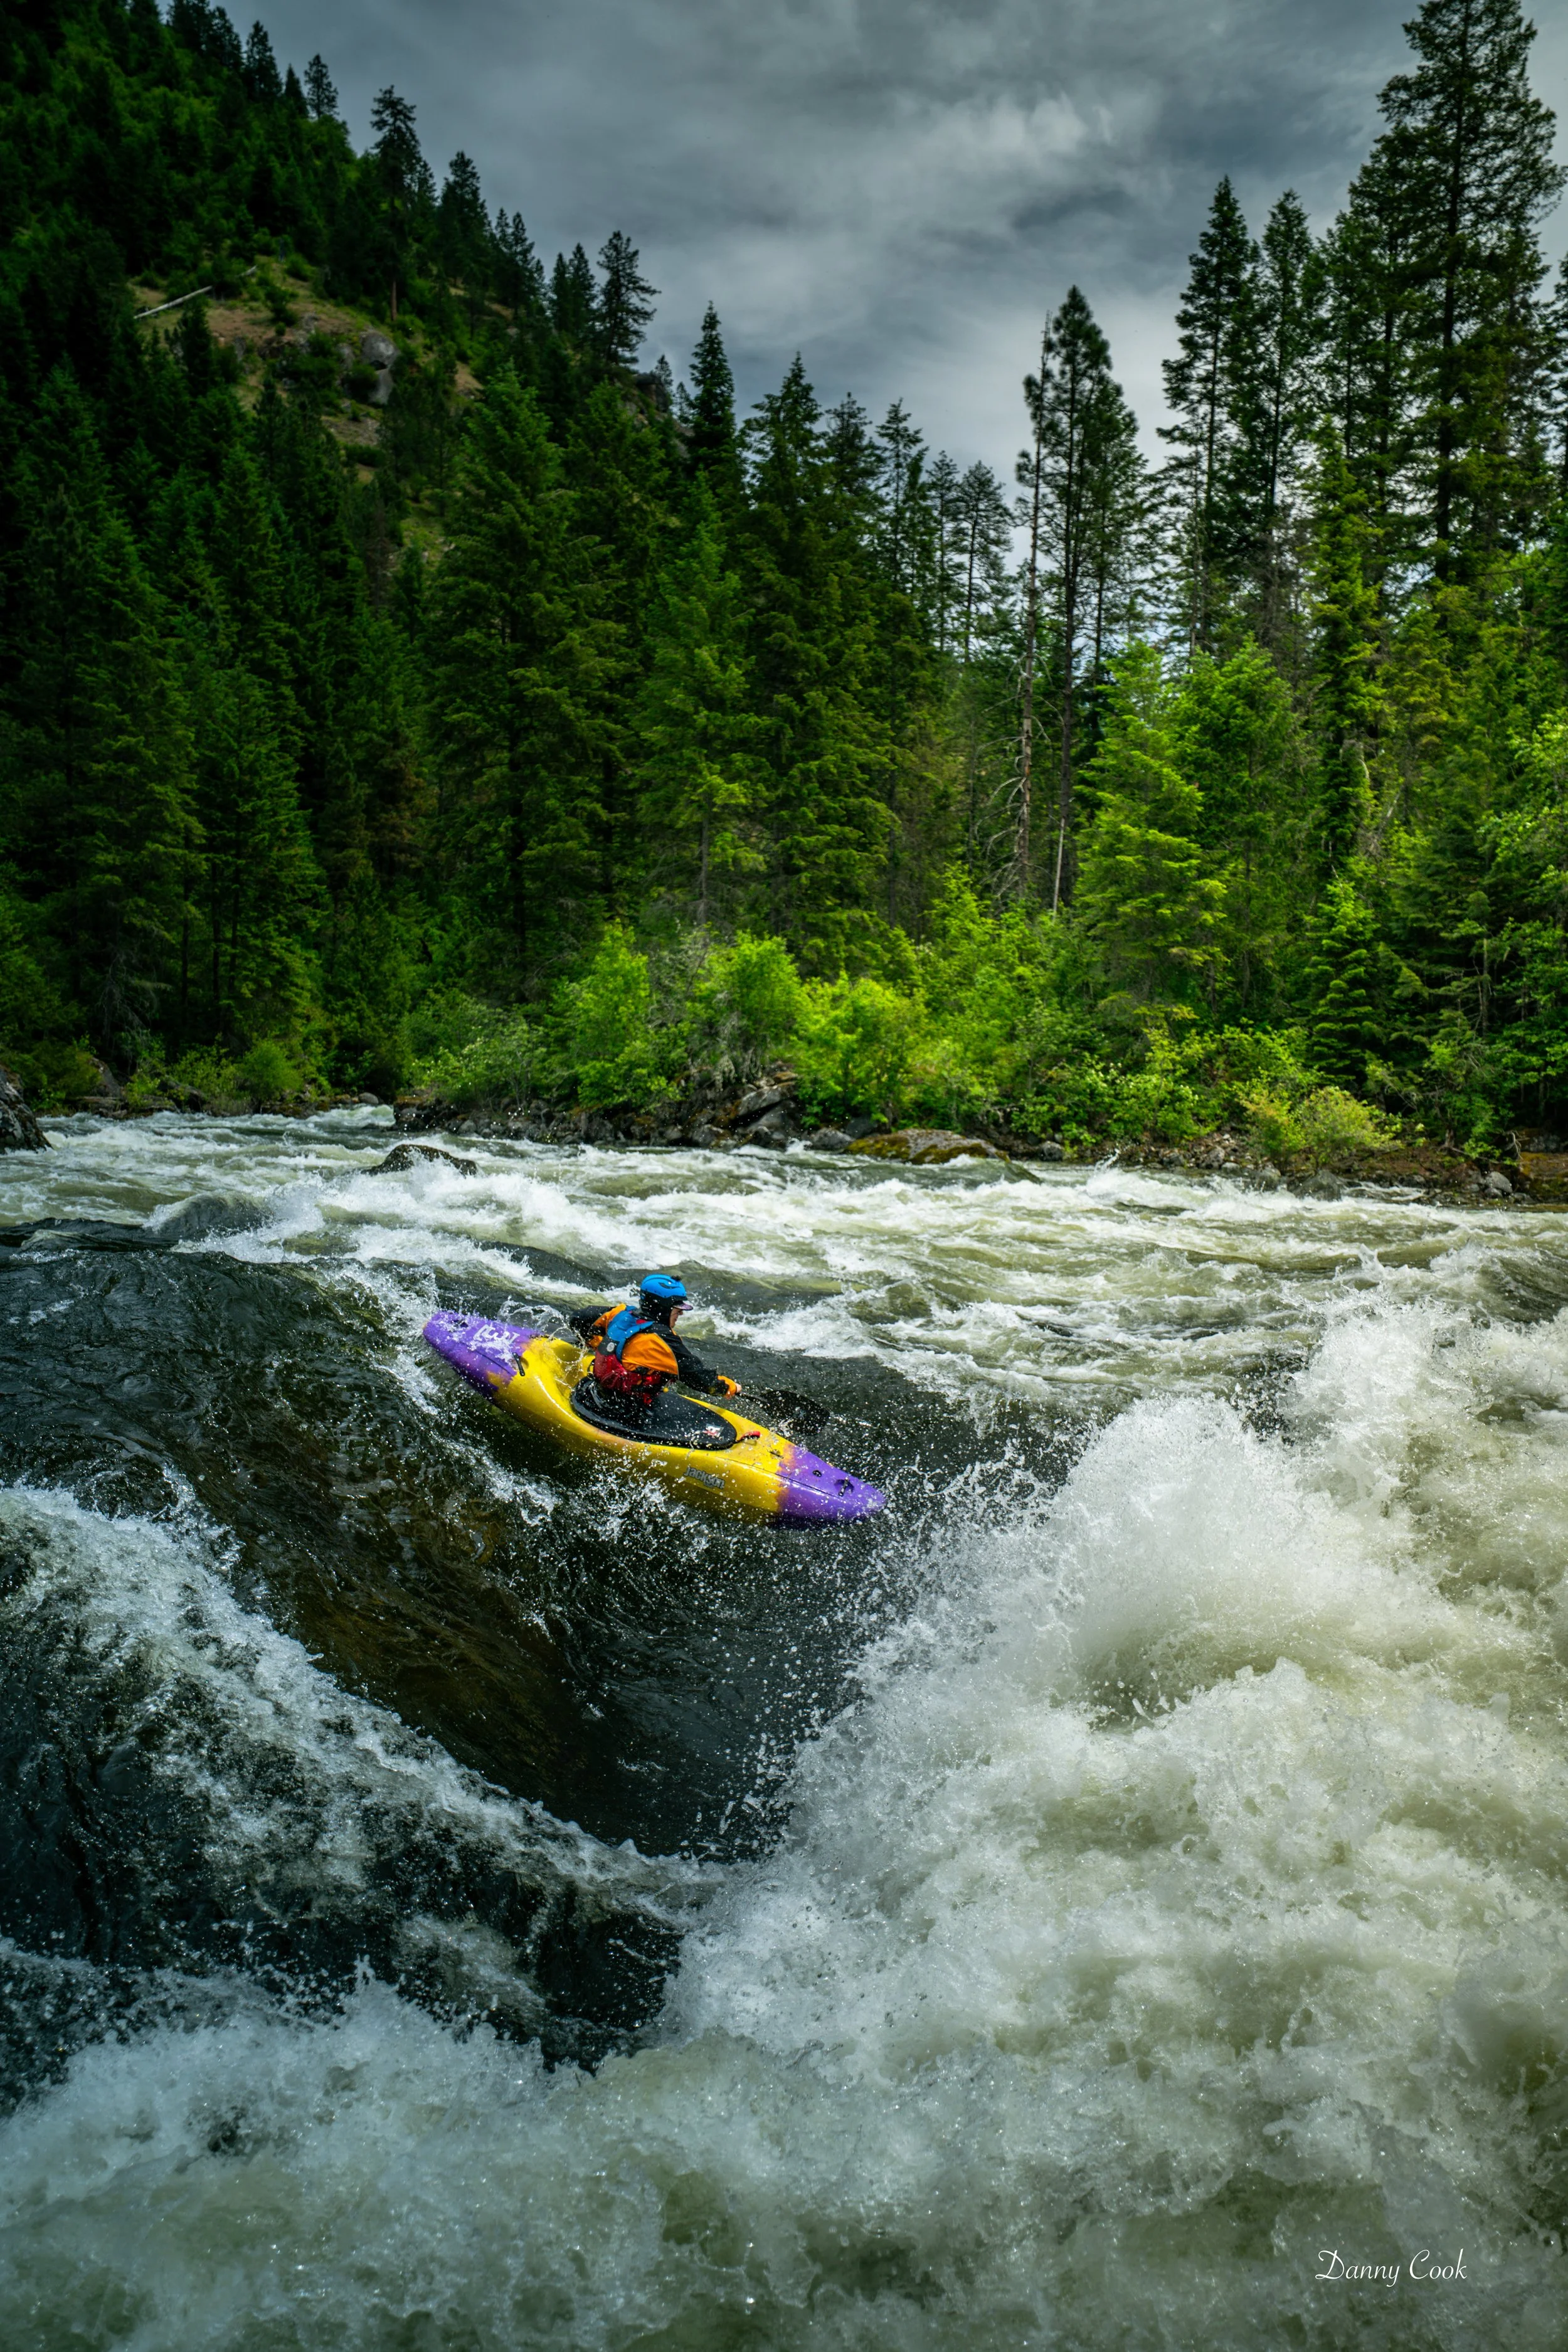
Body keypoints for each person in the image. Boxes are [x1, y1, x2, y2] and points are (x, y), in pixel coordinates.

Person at [569, 1274, 740, 1416]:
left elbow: (579, 1318)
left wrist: (596, 1345)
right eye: (677, 1307)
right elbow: (697, 1377)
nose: (681, 1312)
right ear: (663, 1307)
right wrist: (729, 1387)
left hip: (598, 1393)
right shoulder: (660, 1340)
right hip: (627, 1410)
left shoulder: (621, 1313)